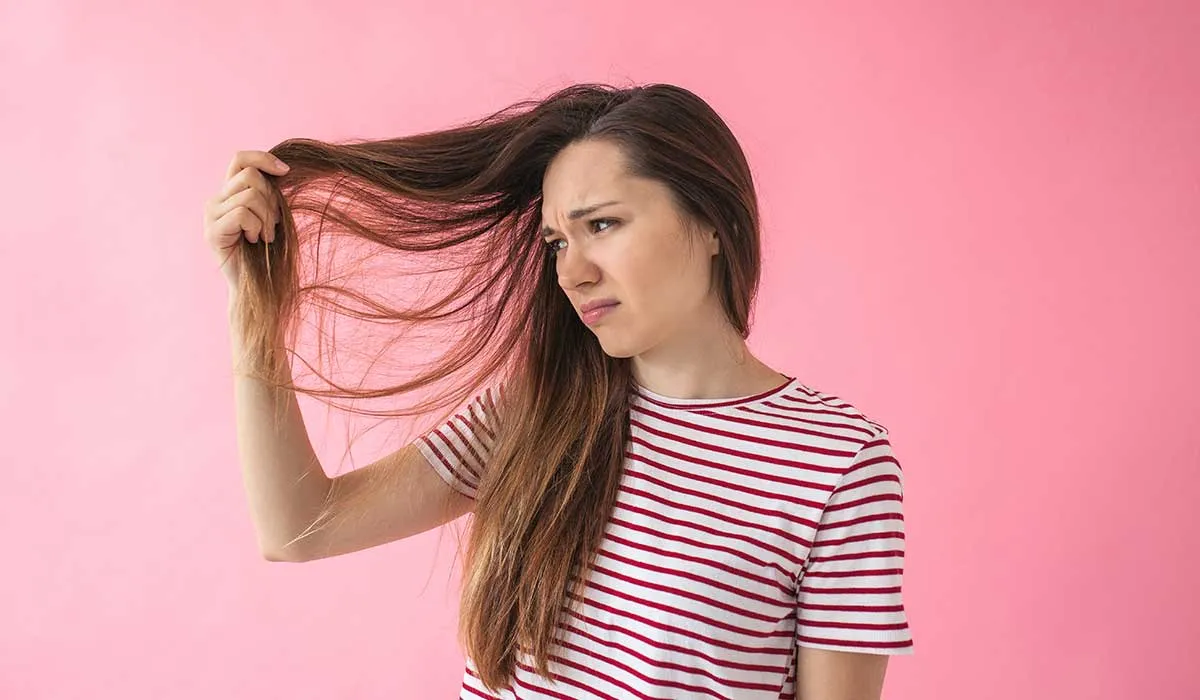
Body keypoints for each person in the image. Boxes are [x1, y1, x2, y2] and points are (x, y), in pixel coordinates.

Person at [202, 82, 913, 699]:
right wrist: (253, 306)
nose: (572, 273)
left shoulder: (838, 464)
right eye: (556, 243)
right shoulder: (535, 413)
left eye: (601, 225)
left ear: (711, 221)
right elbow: (298, 527)